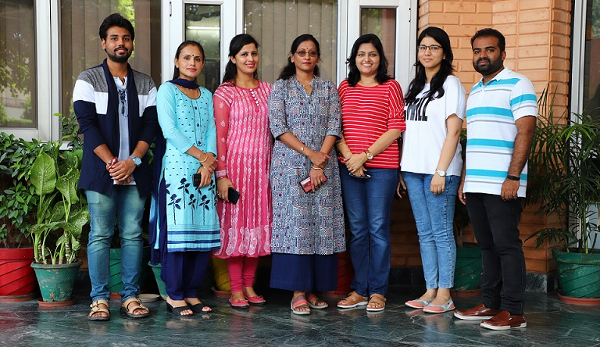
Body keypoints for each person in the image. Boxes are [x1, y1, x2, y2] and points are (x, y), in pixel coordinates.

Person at [74, 13, 157, 321]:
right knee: (100, 234)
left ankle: (131, 296)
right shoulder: (88, 79)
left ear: (131, 43)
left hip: (135, 171)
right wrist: (113, 163)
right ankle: (99, 299)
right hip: (102, 172)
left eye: (125, 38)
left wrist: (132, 161)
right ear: (103, 43)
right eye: (114, 38)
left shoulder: (146, 83)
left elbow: (150, 126)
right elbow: (88, 125)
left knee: (134, 234)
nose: (120, 43)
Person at [453, 28, 537, 330]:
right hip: (476, 183)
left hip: (504, 183)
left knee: (506, 246)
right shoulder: (475, 90)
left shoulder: (518, 84)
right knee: (486, 246)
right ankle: (490, 304)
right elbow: (471, 139)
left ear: (502, 52)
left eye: (489, 50)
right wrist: (465, 179)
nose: (482, 56)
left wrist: (513, 176)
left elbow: (526, 132)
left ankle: (514, 312)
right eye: (477, 51)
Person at [268, 34, 346, 315]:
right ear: (292, 57)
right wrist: (309, 154)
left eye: (312, 52)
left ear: (318, 58)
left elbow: (334, 126)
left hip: (324, 169)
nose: (307, 57)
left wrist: (319, 162)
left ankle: (313, 289)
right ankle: (298, 292)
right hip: (289, 168)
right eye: (301, 52)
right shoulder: (281, 88)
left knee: (321, 225)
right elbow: (278, 126)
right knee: (297, 226)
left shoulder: (328, 88)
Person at [335, 34, 405, 312]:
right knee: (358, 230)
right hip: (349, 166)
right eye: (362, 54)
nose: (367, 59)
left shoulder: (391, 87)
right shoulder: (344, 88)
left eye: (373, 54)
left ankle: (378, 291)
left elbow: (396, 127)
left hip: (382, 168)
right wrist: (351, 158)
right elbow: (335, 126)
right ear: (354, 59)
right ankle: (359, 290)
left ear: (380, 58)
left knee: (378, 229)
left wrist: (365, 155)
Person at [399, 27, 465, 313]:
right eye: (423, 47)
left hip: (440, 172)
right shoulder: (414, 87)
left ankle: (445, 294)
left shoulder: (452, 84)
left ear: (445, 53)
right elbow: (409, 133)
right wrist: (404, 169)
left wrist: (441, 171)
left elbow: (453, 133)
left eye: (434, 47)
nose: (427, 52)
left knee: (440, 233)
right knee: (424, 233)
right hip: (413, 170)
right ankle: (430, 289)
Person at [154, 40, 220, 316]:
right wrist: (202, 157)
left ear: (203, 64)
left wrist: (209, 163)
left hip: (204, 173)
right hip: (177, 171)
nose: (192, 63)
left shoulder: (206, 95)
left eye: (197, 58)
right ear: (177, 61)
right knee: (179, 235)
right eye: (186, 57)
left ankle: (192, 292)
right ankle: (175, 294)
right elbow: (169, 129)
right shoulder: (167, 90)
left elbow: (211, 132)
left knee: (201, 232)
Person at [213, 34, 272, 308]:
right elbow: (220, 137)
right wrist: (222, 176)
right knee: (236, 228)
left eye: (254, 53)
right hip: (235, 170)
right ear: (233, 58)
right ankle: (236, 289)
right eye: (244, 54)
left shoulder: (270, 90)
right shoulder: (224, 92)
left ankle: (249, 285)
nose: (250, 59)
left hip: (263, 171)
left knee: (256, 227)